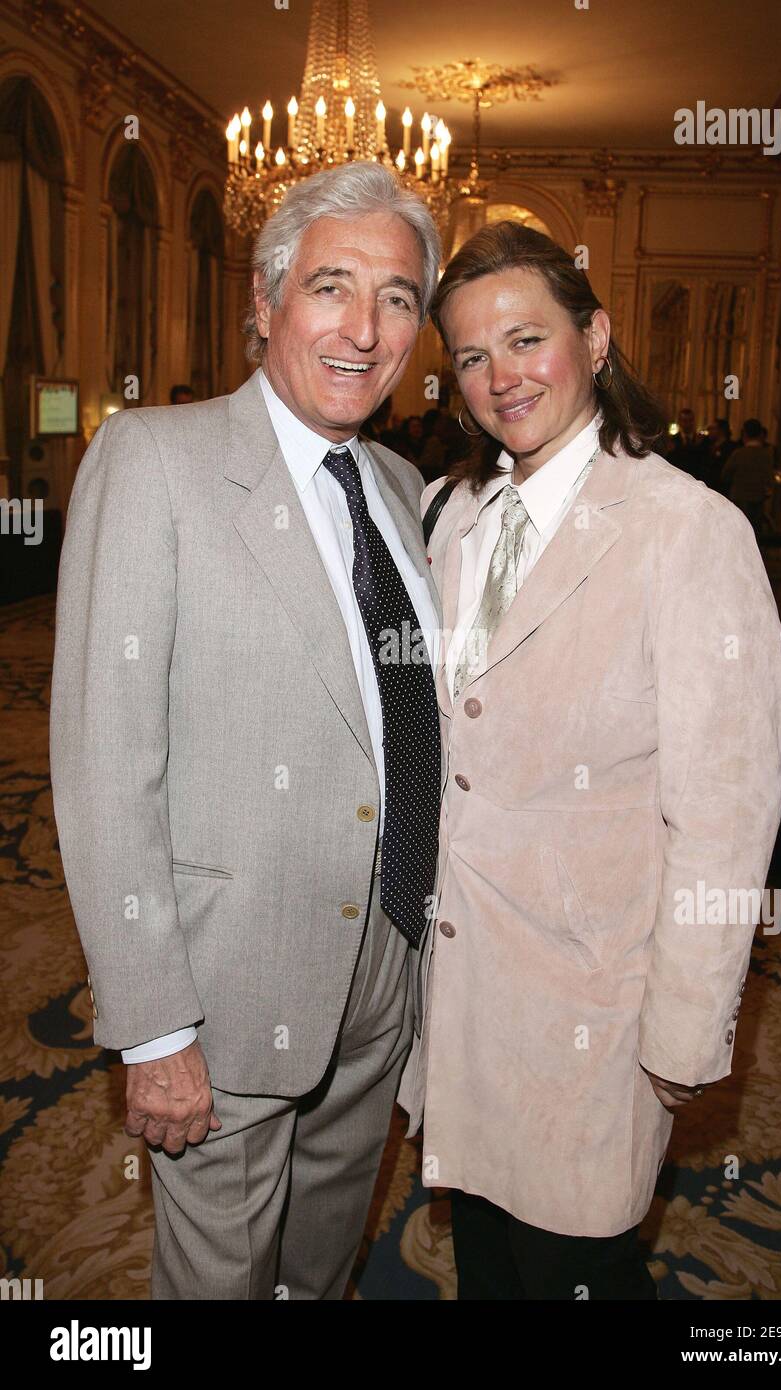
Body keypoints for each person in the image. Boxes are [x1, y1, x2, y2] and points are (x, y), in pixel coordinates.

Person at [50, 162, 444, 1300]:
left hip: (384, 960)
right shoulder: (153, 461)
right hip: (224, 984)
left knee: (323, 1264)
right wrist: (153, 1024)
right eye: (331, 287)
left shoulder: (402, 485)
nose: (363, 330)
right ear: (266, 302)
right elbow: (102, 769)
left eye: (398, 299)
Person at [397, 221, 781, 1300]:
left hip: (595, 1011)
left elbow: (725, 810)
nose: (497, 377)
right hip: (463, 994)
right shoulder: (452, 514)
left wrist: (680, 1030)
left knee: (575, 1271)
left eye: (525, 340)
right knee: (483, 1266)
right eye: (470, 356)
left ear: (596, 337)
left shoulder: (686, 531)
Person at [721, 417, 777, 533]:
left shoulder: (739, 453)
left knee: (738, 530)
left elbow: (726, 474)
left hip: (738, 497)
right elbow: (770, 478)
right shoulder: (766, 455)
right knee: (755, 531)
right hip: (757, 499)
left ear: (744, 433)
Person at [666, 406, 706, 481]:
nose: (688, 424)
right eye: (684, 420)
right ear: (679, 422)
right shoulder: (672, 440)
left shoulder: (702, 440)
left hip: (697, 479)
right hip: (678, 479)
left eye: (690, 420)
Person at [702, 417, 734, 492]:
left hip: (723, 489)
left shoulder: (731, 448)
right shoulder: (705, 446)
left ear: (721, 430)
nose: (709, 431)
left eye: (712, 428)